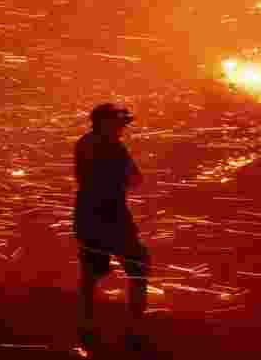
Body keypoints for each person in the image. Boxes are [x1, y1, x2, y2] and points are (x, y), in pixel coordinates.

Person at [74, 103, 149, 350]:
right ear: (105, 122)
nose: (122, 129)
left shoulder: (85, 143)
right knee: (138, 266)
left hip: (87, 216)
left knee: (91, 271)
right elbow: (135, 179)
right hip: (112, 216)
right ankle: (134, 330)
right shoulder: (111, 147)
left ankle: (86, 325)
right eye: (119, 124)